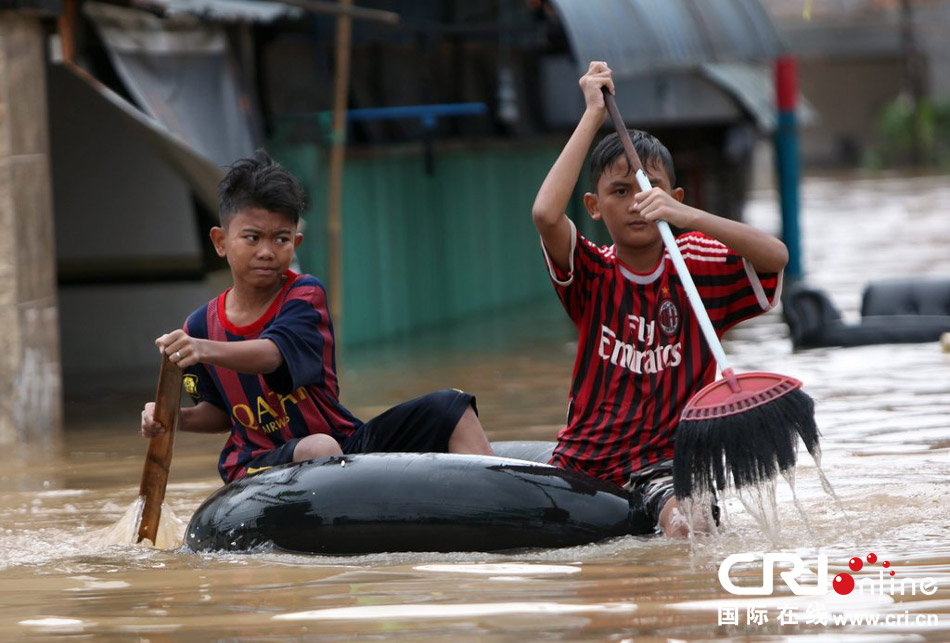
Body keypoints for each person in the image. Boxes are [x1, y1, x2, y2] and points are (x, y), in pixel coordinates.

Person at [531, 62, 787, 537]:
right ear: (593, 206)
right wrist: (591, 114)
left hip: (667, 467)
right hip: (584, 465)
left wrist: (687, 215)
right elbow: (546, 215)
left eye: (651, 191)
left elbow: (775, 256)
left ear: (675, 196)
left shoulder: (698, 264)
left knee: (687, 526)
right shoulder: (592, 271)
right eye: (620, 192)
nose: (637, 204)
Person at [141, 152, 492, 483]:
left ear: (296, 243)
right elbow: (218, 412)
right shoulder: (199, 326)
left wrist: (204, 349)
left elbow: (272, 355)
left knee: (451, 406)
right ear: (221, 242)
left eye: (280, 239)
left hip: (342, 443)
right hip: (253, 464)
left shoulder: (304, 296)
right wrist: (172, 418)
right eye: (252, 238)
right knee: (320, 447)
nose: (266, 251)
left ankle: (499, 503)